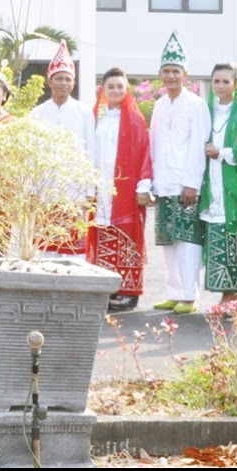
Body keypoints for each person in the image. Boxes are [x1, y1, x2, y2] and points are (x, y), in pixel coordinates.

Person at [148, 32, 211, 315]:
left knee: (188, 241)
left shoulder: (196, 104)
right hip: (163, 183)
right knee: (168, 241)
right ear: (160, 74)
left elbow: (200, 145)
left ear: (185, 74)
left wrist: (192, 184)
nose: (171, 76)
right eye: (166, 71)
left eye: (175, 71)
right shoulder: (160, 105)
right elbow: (154, 145)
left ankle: (189, 295)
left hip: (186, 185)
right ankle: (174, 293)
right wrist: (152, 181)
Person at [199, 63, 237, 309]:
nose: (221, 86)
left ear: (235, 84)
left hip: (231, 182)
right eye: (216, 82)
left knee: (233, 237)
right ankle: (228, 294)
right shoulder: (205, 111)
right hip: (209, 183)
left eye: (226, 81)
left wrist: (220, 152)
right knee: (215, 237)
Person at [92, 67, 151, 312]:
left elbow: (145, 153)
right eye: (111, 86)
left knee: (126, 235)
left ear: (126, 90)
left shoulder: (136, 120)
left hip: (125, 187)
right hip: (99, 185)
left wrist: (144, 185)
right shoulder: (95, 117)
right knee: (101, 232)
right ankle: (104, 288)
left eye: (120, 86)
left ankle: (128, 290)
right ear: (103, 90)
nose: (115, 90)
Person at [29, 42, 95, 255]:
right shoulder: (37, 113)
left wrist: (89, 191)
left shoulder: (84, 113)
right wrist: (31, 190)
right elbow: (31, 155)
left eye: (68, 79)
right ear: (50, 81)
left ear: (73, 83)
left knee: (73, 249)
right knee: (45, 248)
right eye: (59, 78)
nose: (63, 83)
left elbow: (90, 152)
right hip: (45, 189)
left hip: (74, 190)